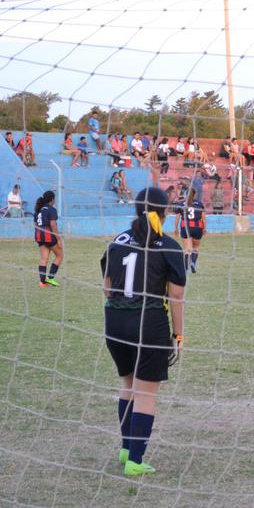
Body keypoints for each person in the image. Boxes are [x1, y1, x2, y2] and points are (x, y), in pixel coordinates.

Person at [100, 186, 186, 477]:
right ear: (164, 211)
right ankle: (136, 460)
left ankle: (126, 449)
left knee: (128, 385)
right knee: (146, 393)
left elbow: (107, 287)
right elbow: (176, 296)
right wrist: (178, 335)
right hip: (148, 321)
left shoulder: (117, 240)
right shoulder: (169, 245)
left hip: (114, 320)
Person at [34, 190, 63, 287]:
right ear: (52, 199)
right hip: (48, 234)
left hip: (39, 234)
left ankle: (42, 282)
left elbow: (35, 224)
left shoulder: (38, 210)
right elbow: (53, 225)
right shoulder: (52, 209)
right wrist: (58, 239)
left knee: (44, 258)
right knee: (59, 255)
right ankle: (50, 278)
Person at [177, 188, 207, 274]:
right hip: (197, 227)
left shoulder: (181, 204)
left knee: (187, 249)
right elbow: (203, 218)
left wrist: (175, 228)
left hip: (186, 226)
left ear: (186, 194)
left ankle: (186, 267)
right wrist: (204, 228)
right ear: (194, 195)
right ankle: (193, 263)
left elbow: (178, 217)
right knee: (196, 247)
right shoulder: (199, 204)